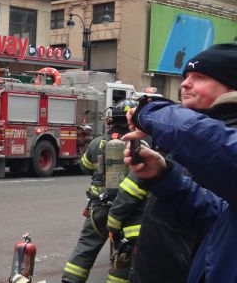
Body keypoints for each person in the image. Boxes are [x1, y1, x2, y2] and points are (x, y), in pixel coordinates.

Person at [125, 43, 237, 283]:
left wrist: (148, 112)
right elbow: (221, 215)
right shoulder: (188, 137)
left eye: (200, 77)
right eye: (186, 76)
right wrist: (164, 177)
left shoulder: (201, 139)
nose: (185, 83)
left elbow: (219, 148)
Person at [62, 100, 143, 283]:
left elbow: (84, 166)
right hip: (127, 213)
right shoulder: (139, 143)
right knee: (121, 256)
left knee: (85, 249)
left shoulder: (98, 142)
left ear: (111, 119)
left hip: (98, 209)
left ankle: (70, 280)